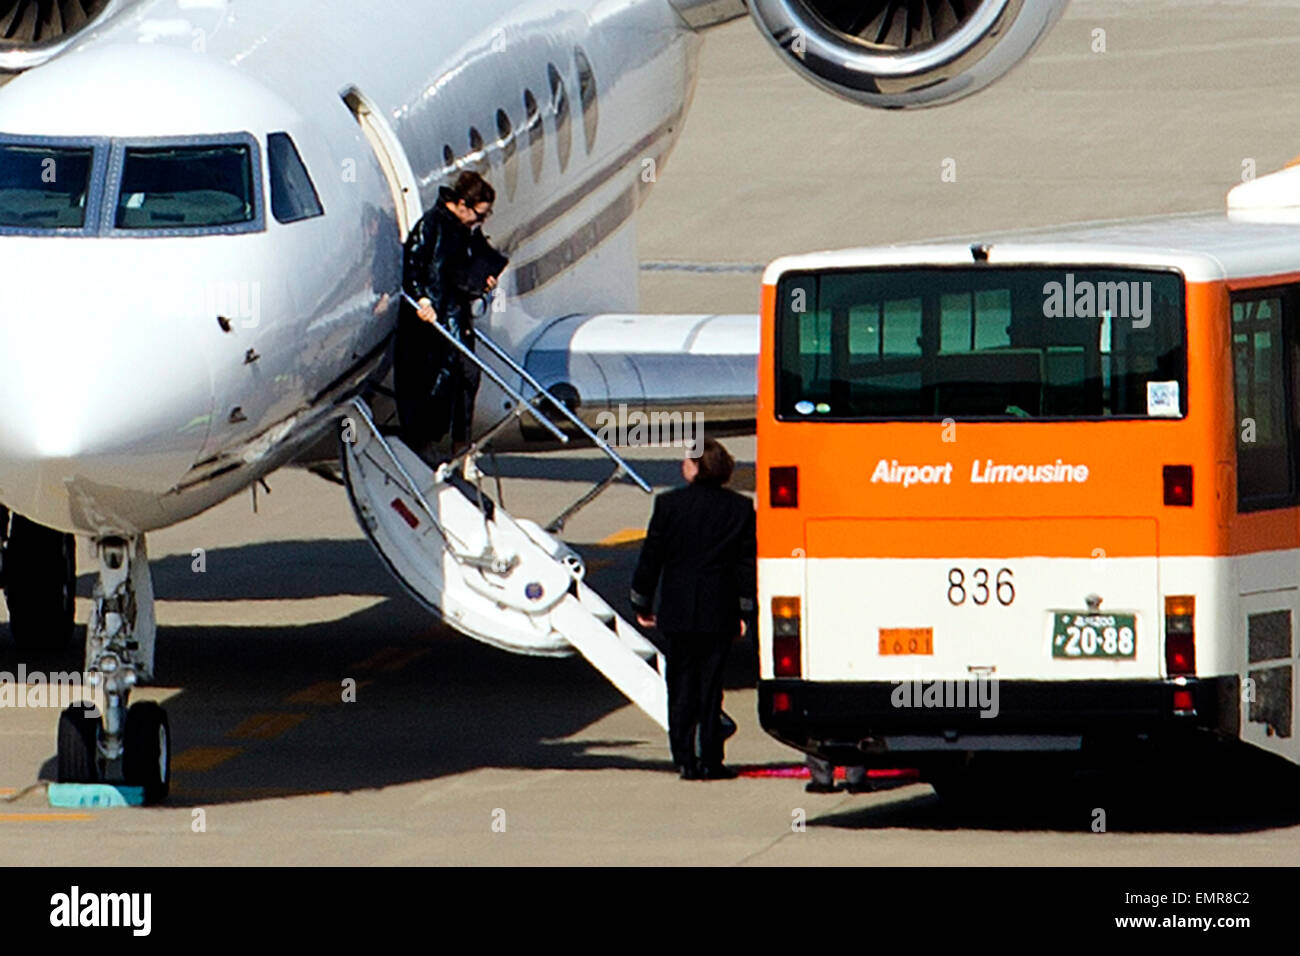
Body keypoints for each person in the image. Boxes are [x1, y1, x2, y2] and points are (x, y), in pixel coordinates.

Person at [631, 438, 757, 781]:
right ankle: (711, 759)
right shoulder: (740, 508)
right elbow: (746, 567)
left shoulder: (669, 504)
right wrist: (746, 611)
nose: (681, 466)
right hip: (718, 609)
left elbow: (651, 557)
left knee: (681, 686)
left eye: (686, 461)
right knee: (710, 687)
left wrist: (640, 599)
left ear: (698, 467)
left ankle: (684, 757)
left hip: (678, 608)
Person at [396, 171, 502, 465]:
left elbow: (461, 270)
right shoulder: (432, 225)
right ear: (462, 204)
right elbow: (413, 264)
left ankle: (460, 442)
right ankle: (426, 440)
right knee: (434, 381)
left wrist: (483, 280)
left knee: (467, 375)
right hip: (433, 319)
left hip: (454, 313)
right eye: (478, 215)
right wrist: (422, 299)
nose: (478, 223)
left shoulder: (464, 232)